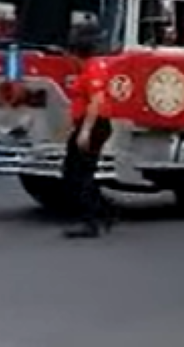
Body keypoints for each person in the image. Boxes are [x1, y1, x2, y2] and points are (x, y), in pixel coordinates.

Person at [62, 32, 117, 240]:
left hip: (94, 124)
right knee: (72, 169)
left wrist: (85, 131)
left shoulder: (93, 69)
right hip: (88, 123)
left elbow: (97, 100)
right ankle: (105, 210)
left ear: (76, 54)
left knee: (82, 173)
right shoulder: (89, 68)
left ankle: (90, 222)